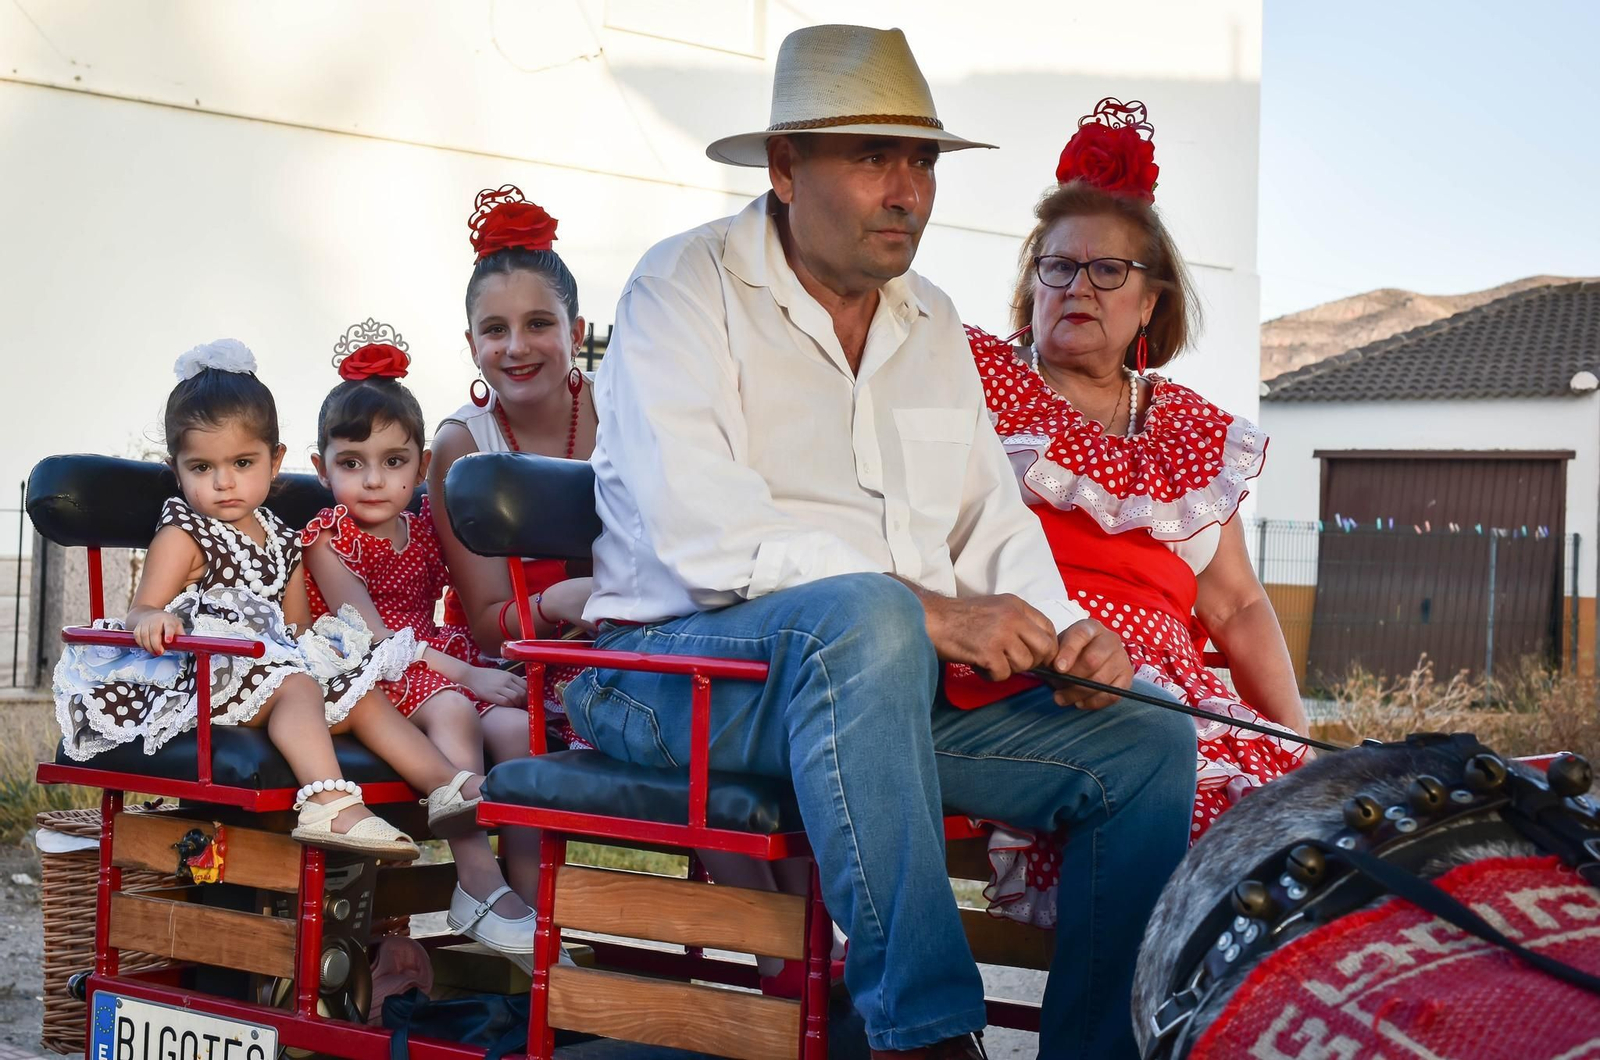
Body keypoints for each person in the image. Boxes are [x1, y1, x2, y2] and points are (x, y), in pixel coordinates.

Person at [572, 25, 1196, 1059]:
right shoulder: (679, 289)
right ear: (783, 167)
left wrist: (1072, 631)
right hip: (671, 674)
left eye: (921, 160)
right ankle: (928, 1034)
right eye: (872, 156)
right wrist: (931, 613)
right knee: (869, 613)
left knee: (1148, 739)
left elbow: (984, 517)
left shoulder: (931, 322)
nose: (907, 189)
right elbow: (706, 535)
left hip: (877, 688)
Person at [959, 100, 1308, 923]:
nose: (1079, 286)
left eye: (1108, 271)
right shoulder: (968, 378)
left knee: (1294, 824)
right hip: (1032, 681)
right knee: (1185, 810)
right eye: (1058, 266)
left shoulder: (1189, 428)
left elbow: (1238, 604)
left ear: (1150, 303)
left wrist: (1298, 747)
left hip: (1171, 699)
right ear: (1031, 282)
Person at [52, 340, 483, 860]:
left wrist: (342, 671)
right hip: (206, 676)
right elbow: (142, 609)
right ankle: (331, 805)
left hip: (270, 670)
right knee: (298, 686)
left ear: (274, 460)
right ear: (177, 468)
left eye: (242, 462)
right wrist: (154, 619)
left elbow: (298, 632)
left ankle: (448, 788)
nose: (224, 482)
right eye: (202, 468)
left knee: (357, 690)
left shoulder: (283, 539)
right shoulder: (186, 533)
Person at [300, 320, 543, 968]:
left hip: (426, 654)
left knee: (518, 730)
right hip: (360, 667)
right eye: (352, 463)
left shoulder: (422, 532)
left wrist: (475, 664)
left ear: (421, 465)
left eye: (394, 461)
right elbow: (374, 637)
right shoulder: (329, 538)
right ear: (321, 467)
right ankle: (475, 880)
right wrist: (467, 674)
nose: (374, 480)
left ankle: (529, 905)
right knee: (456, 707)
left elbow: (447, 608)